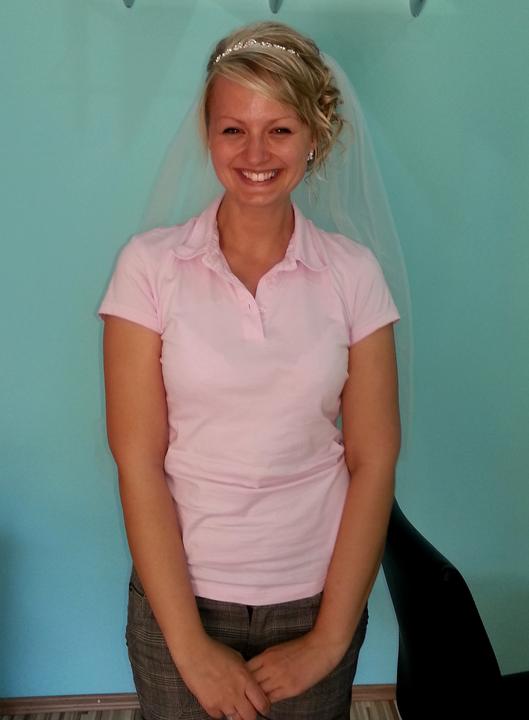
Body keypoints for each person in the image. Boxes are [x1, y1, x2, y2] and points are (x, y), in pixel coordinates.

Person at [98, 20, 406, 720]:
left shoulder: (353, 274)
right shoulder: (148, 268)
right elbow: (137, 460)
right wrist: (189, 647)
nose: (256, 153)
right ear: (207, 136)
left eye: (280, 130)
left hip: (315, 596)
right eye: (233, 129)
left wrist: (328, 640)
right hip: (180, 600)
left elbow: (373, 459)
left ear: (313, 136)